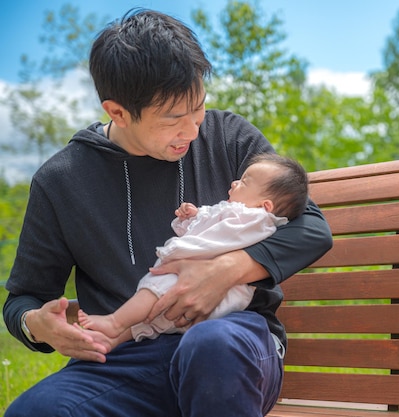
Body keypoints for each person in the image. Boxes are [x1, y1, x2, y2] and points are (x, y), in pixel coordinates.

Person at [2, 8, 332, 417]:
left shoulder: (228, 137)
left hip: (233, 341)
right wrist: (37, 323)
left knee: (210, 348)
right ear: (117, 111)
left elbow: (313, 228)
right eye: (174, 119)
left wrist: (226, 270)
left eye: (198, 109)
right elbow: (24, 297)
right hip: (126, 359)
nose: (193, 131)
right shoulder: (60, 181)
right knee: (37, 412)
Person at [77, 153, 309, 349]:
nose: (234, 183)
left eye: (244, 182)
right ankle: (111, 340)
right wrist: (194, 216)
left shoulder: (257, 219)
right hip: (209, 298)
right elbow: (211, 224)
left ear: (265, 206)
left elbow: (218, 221)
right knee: (154, 319)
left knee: (154, 292)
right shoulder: (242, 217)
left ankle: (115, 322)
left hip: (212, 290)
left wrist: (202, 215)